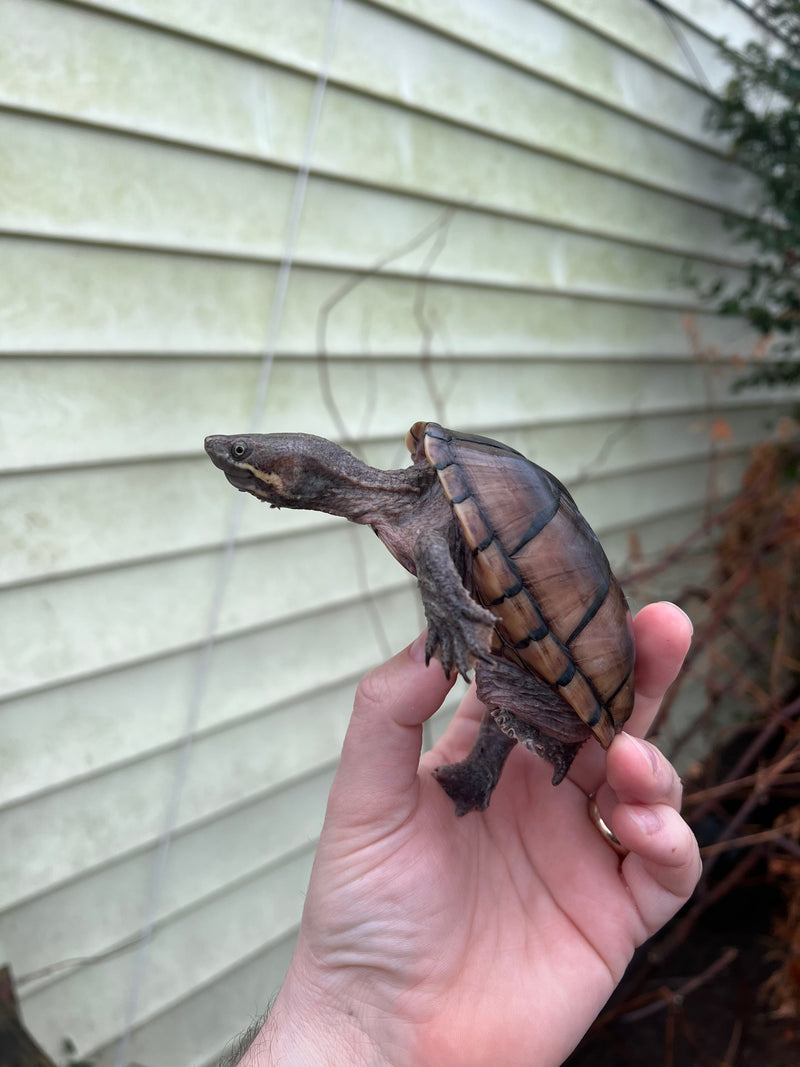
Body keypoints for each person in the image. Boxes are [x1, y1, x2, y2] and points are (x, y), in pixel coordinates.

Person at [233, 602, 700, 1067]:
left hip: (559, 672)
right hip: (550, 674)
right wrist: (357, 1026)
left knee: (554, 713)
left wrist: (351, 1028)